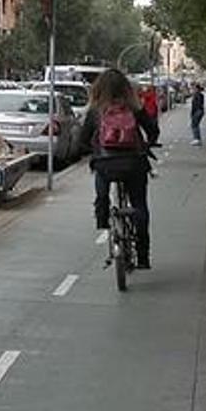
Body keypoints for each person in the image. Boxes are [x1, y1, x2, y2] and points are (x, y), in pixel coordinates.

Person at [80, 69, 159, 270]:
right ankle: (143, 256)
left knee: (101, 182)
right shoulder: (134, 107)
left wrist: (95, 151)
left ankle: (103, 217)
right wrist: (147, 145)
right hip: (134, 163)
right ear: (126, 88)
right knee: (140, 204)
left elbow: (82, 140)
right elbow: (153, 131)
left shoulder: (96, 110)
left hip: (105, 165)